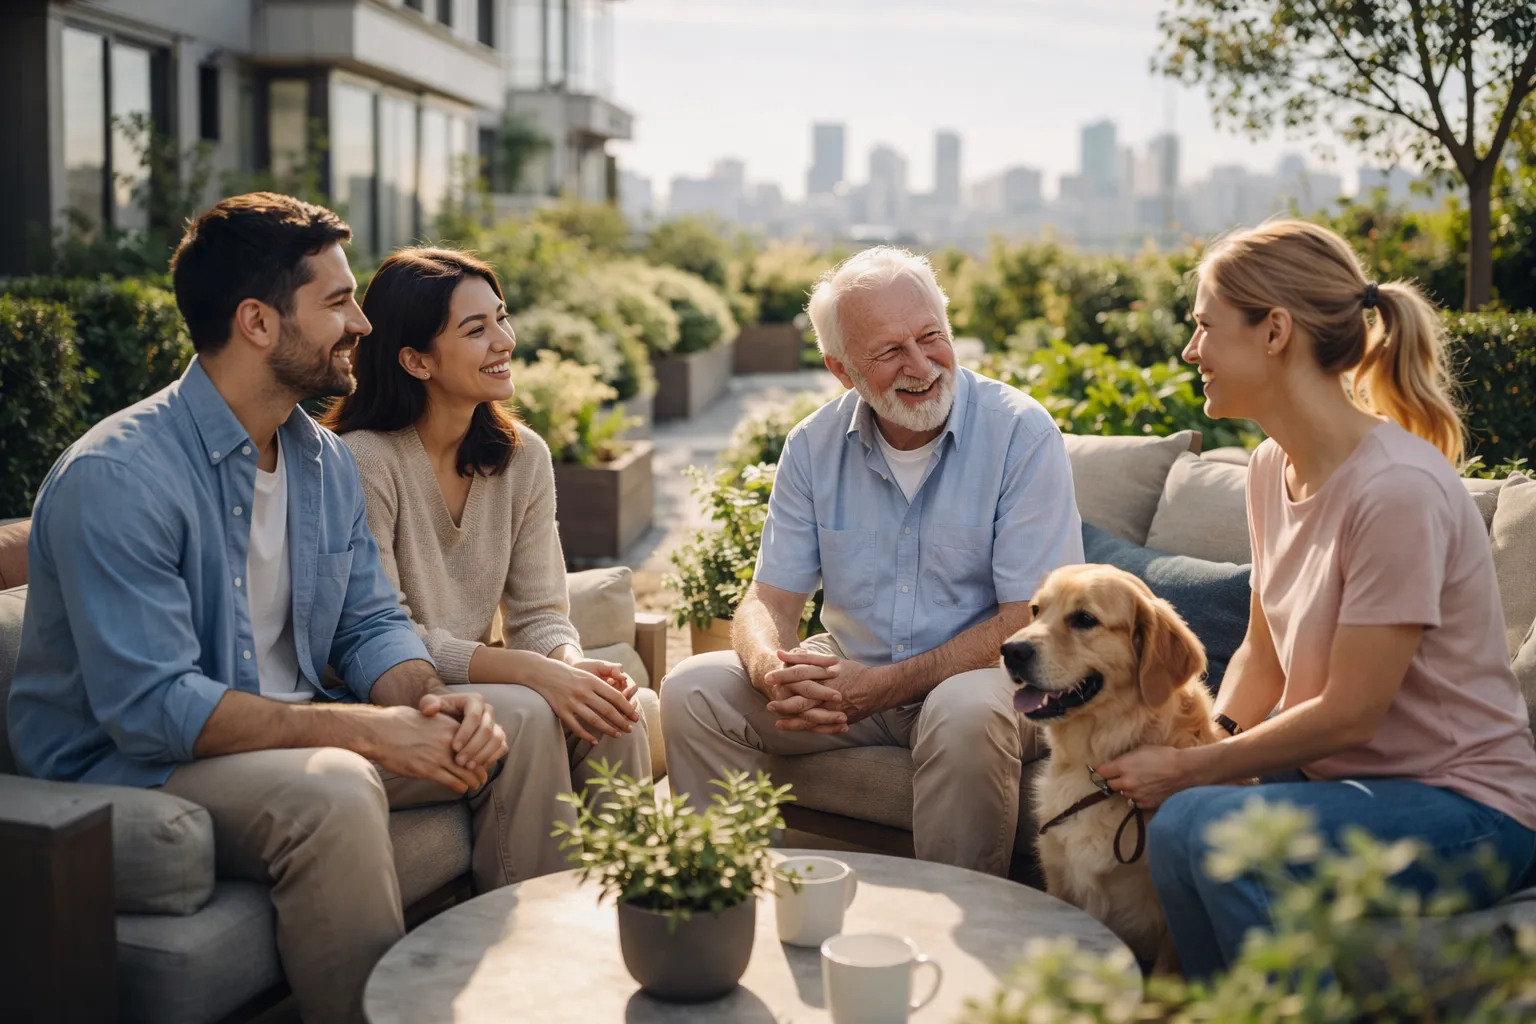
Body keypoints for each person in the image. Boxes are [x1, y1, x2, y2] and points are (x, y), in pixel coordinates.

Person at [7, 194, 520, 1024]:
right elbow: (153, 709)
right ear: (256, 321)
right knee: (336, 789)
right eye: (336, 302)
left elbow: (367, 622)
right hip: (127, 770)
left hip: (277, 731)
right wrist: (364, 730)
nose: (361, 322)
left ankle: (527, 993)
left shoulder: (318, 459)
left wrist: (426, 699)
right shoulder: (120, 476)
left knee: (515, 720)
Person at [1096, 219, 1536, 980]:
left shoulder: (1395, 490)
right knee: (1183, 821)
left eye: (1203, 326)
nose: (1189, 351)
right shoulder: (1272, 467)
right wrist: (1208, 747)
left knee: (1199, 820)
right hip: (1344, 789)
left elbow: (1351, 710)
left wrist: (1198, 772)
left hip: (1471, 811)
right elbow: (1263, 655)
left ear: (1274, 332)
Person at [661, 246, 1084, 876]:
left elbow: (1028, 617)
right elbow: (770, 599)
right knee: (694, 689)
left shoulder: (1021, 433)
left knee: (961, 711)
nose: (921, 366)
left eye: (931, 337)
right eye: (889, 352)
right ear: (842, 368)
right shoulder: (813, 444)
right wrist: (771, 669)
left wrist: (883, 687)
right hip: (853, 674)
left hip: (986, 678)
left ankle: (963, 931)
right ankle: (721, 900)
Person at [320, 246, 651, 875]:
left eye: (501, 318)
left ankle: (635, 906)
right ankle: (535, 937)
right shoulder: (361, 461)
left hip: (483, 683)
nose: (505, 340)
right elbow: (380, 635)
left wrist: (573, 669)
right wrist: (532, 674)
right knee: (533, 708)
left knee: (616, 719)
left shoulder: (523, 457)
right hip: (394, 696)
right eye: (476, 330)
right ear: (416, 359)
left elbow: (542, 616)